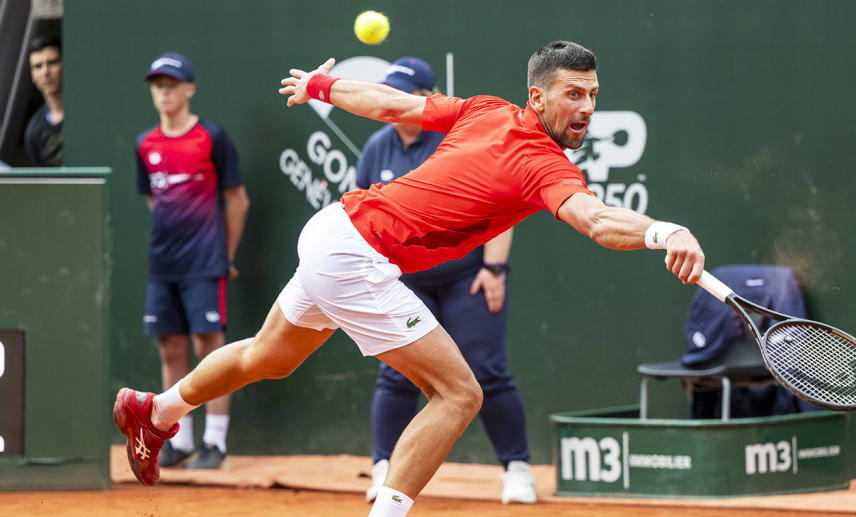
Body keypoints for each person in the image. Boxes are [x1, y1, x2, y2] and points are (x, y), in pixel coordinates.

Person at [113, 41, 704, 517]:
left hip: (334, 232)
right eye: (573, 94)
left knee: (270, 357)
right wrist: (665, 231)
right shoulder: (534, 154)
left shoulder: (489, 111)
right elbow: (596, 220)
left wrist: (322, 86)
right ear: (539, 96)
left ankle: (154, 412)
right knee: (459, 394)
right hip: (356, 254)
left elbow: (396, 105)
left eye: (594, 96)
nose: (586, 108)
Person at [356, 57, 535, 504]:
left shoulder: (454, 139)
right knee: (395, 375)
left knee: (487, 371)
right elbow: (363, 212)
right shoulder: (377, 146)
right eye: (390, 91)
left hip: (466, 277)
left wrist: (494, 269)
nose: (395, 101)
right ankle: (384, 468)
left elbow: (499, 206)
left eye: (406, 93)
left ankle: (516, 468)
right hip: (403, 280)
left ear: (426, 100)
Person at [134, 52, 250, 470]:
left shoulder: (212, 138)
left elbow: (237, 201)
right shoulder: (144, 144)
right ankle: (179, 440)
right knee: (171, 347)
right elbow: (154, 200)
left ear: (189, 89)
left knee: (209, 347)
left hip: (205, 260)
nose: (164, 92)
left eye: (172, 84)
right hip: (163, 264)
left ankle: (214, 441)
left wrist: (225, 255)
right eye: (157, 85)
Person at [23, 37, 64, 167]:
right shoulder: (34, 132)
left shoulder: (88, 114)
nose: (45, 71)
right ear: (32, 75)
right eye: (38, 66)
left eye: (52, 62)